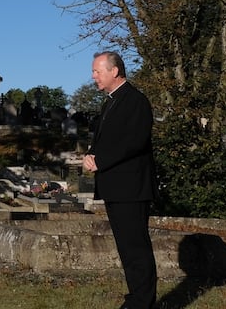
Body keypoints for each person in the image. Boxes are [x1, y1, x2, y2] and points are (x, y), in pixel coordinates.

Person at [83, 51, 158, 309]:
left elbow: (133, 142)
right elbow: (107, 140)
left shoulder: (135, 101)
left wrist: (101, 160)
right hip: (115, 186)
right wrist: (91, 156)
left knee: (136, 248)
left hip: (131, 187)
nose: (93, 76)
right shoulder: (110, 102)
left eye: (97, 71)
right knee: (126, 248)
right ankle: (136, 299)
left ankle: (142, 303)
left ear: (114, 71)